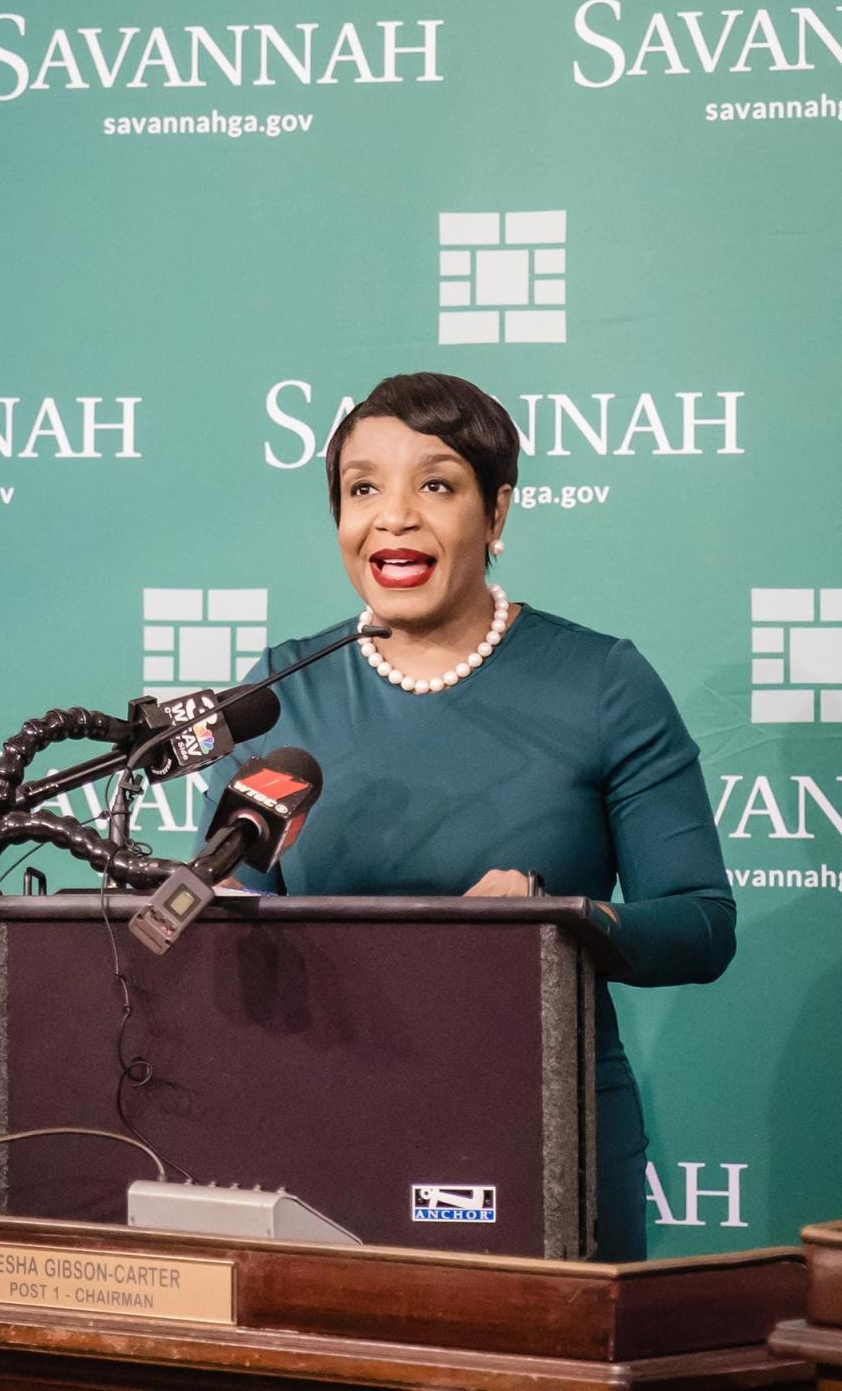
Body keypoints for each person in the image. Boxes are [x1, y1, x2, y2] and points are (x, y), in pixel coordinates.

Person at [200, 371, 736, 1261]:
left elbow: (701, 925)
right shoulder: (280, 694)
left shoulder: (603, 682)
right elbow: (231, 913)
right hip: (315, 1126)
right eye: (363, 488)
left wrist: (560, 921)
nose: (394, 516)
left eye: (436, 485)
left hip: (538, 1132)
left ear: (496, 516)